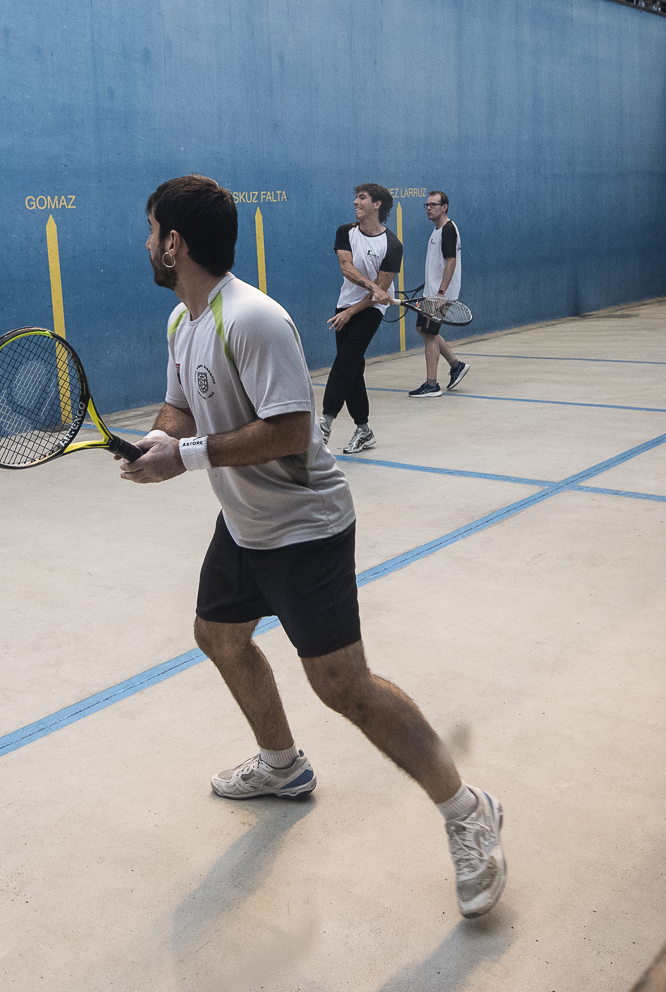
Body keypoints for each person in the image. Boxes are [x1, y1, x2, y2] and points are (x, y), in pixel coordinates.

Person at [118, 175, 508, 921]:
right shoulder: (182, 321)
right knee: (219, 635)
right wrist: (155, 442)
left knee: (342, 684)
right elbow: (179, 409)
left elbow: (292, 430)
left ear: (175, 243)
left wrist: (186, 457)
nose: (146, 243)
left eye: (151, 231)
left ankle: (468, 809)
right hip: (245, 522)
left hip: (305, 526)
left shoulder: (254, 319)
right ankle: (282, 764)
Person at [323, 184, 401, 454]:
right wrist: (372, 288)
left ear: (377, 205)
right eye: (356, 197)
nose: (355, 202)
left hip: (372, 308)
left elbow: (379, 293)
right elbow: (346, 267)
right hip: (345, 302)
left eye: (362, 198)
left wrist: (353, 310)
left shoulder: (393, 245)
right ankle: (364, 430)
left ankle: (324, 422)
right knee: (353, 368)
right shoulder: (345, 232)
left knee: (347, 358)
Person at [408, 191, 470, 398]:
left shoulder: (448, 230)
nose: (428, 208)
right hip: (433, 292)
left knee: (430, 334)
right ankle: (456, 365)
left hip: (439, 295)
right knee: (423, 329)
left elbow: (451, 262)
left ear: (444, 207)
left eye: (433, 205)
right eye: (426, 205)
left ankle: (432, 384)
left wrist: (441, 292)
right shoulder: (438, 230)